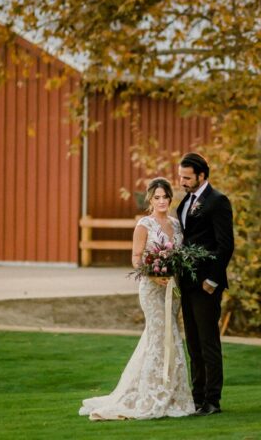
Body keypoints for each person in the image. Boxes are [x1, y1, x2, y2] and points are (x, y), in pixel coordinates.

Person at [79, 177, 194, 421]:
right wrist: (153, 274)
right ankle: (152, 394)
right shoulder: (144, 225)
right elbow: (136, 257)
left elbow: (181, 255)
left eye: (165, 197)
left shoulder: (176, 224)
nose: (161, 201)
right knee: (159, 335)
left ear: (170, 199)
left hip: (172, 290)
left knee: (171, 334)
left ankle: (172, 393)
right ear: (150, 200)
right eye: (157, 197)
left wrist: (172, 271)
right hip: (151, 290)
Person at [176, 153, 234, 416]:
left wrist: (212, 280)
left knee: (208, 342)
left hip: (206, 285)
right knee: (193, 344)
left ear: (202, 176)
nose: (182, 182)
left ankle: (212, 400)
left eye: (187, 177)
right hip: (187, 284)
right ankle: (196, 398)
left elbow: (225, 245)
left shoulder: (218, 201)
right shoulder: (185, 202)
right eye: (180, 177)